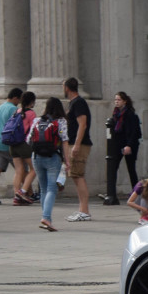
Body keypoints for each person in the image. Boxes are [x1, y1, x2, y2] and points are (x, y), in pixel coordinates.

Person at [27, 97, 70, 231]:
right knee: (52, 188)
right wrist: (67, 161)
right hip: (53, 157)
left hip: (37, 157)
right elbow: (64, 141)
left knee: (44, 188)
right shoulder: (61, 121)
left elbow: (28, 139)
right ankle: (46, 217)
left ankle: (47, 219)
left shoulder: (37, 120)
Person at [63, 77, 93, 222]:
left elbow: (83, 124)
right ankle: (82, 209)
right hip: (75, 143)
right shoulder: (74, 103)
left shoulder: (79, 102)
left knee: (78, 175)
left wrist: (76, 144)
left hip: (79, 144)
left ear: (67, 88)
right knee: (76, 175)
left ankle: (85, 210)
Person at [102, 91, 141, 205]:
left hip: (129, 145)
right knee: (113, 168)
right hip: (118, 145)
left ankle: (137, 194)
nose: (116, 102)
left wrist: (128, 145)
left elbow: (134, 132)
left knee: (131, 169)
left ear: (125, 101)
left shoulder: (130, 114)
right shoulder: (115, 114)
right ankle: (111, 193)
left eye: (119, 100)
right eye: (115, 100)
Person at [8, 90, 38, 206]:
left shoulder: (17, 111)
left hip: (13, 145)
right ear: (32, 101)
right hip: (24, 145)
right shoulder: (31, 113)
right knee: (34, 168)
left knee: (19, 170)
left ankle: (16, 196)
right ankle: (22, 191)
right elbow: (33, 131)